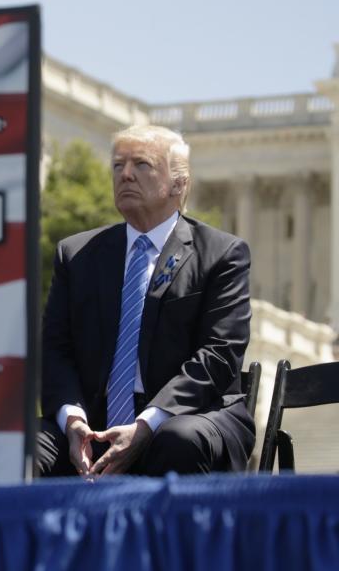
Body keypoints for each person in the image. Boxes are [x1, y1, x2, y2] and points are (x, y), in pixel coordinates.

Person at [36, 124, 255, 477]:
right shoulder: (76, 255)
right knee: (23, 447)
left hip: (188, 415)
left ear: (178, 184)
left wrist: (147, 423)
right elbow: (54, 350)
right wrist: (72, 418)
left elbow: (219, 355)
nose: (125, 175)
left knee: (178, 440)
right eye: (117, 165)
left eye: (142, 165)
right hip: (93, 423)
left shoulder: (221, 254)